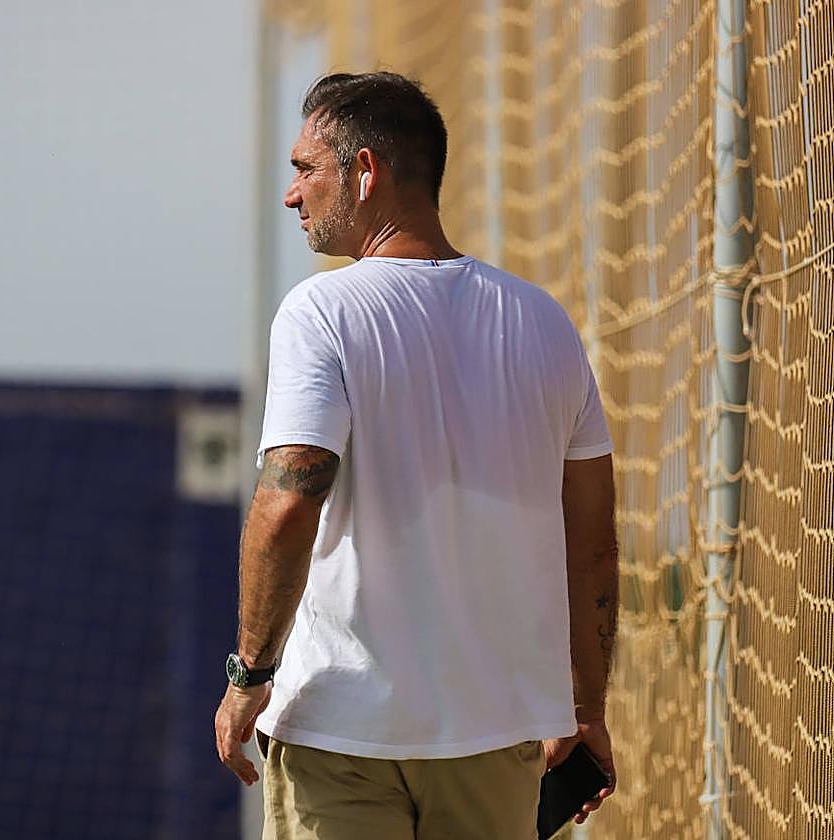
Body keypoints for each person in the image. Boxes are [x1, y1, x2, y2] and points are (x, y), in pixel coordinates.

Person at [213, 72, 619, 839]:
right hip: (497, 736)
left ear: (365, 173)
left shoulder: (321, 310)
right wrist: (585, 708)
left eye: (306, 169)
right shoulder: (545, 324)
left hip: (342, 734)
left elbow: (289, 500)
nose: (293, 194)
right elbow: (593, 542)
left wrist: (249, 675)